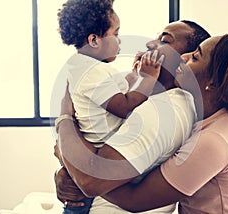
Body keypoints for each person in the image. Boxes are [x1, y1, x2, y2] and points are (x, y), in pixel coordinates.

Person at [57, 34, 228, 213]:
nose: (184, 57)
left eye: (195, 57)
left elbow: (107, 187)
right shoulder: (212, 122)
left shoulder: (213, 139)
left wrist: (65, 127)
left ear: (214, 82)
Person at [54, 20, 211, 213]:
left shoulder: (163, 110)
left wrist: (64, 120)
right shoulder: (148, 99)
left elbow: (90, 179)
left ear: (184, 61)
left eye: (164, 40)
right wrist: (65, 169)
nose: (150, 44)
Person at [56, 1, 164, 212]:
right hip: (98, 152)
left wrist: (136, 75)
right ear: (94, 40)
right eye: (116, 33)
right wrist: (149, 78)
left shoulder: (83, 66)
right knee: (79, 206)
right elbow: (123, 106)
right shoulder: (93, 72)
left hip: (93, 150)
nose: (120, 40)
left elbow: (115, 91)